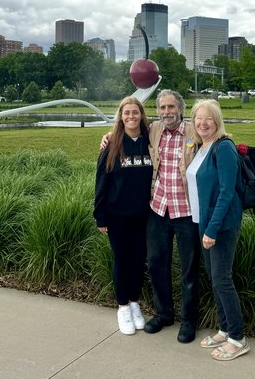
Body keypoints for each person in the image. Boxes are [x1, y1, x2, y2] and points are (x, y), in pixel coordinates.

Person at [100, 89, 199, 343]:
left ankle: (188, 321)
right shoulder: (153, 132)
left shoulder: (191, 132)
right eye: (163, 108)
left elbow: (214, 135)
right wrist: (109, 135)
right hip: (157, 210)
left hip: (185, 211)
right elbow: (105, 175)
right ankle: (163, 313)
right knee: (155, 266)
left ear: (180, 109)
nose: (167, 112)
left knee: (188, 269)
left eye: (171, 107)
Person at [184, 99, 250, 361]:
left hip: (220, 226)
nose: (202, 123)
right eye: (198, 118)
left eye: (208, 118)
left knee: (222, 279)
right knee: (215, 278)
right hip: (204, 223)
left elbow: (226, 192)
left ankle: (237, 337)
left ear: (217, 121)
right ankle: (224, 328)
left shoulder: (223, 148)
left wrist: (211, 229)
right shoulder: (202, 147)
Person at [93, 96, 153, 335]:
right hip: (117, 215)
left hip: (144, 215)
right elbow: (101, 181)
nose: (131, 116)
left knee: (139, 260)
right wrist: (101, 216)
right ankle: (122, 307)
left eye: (135, 112)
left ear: (141, 115)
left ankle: (135, 302)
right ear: (121, 116)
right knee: (122, 260)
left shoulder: (150, 141)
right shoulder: (112, 144)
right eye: (126, 113)